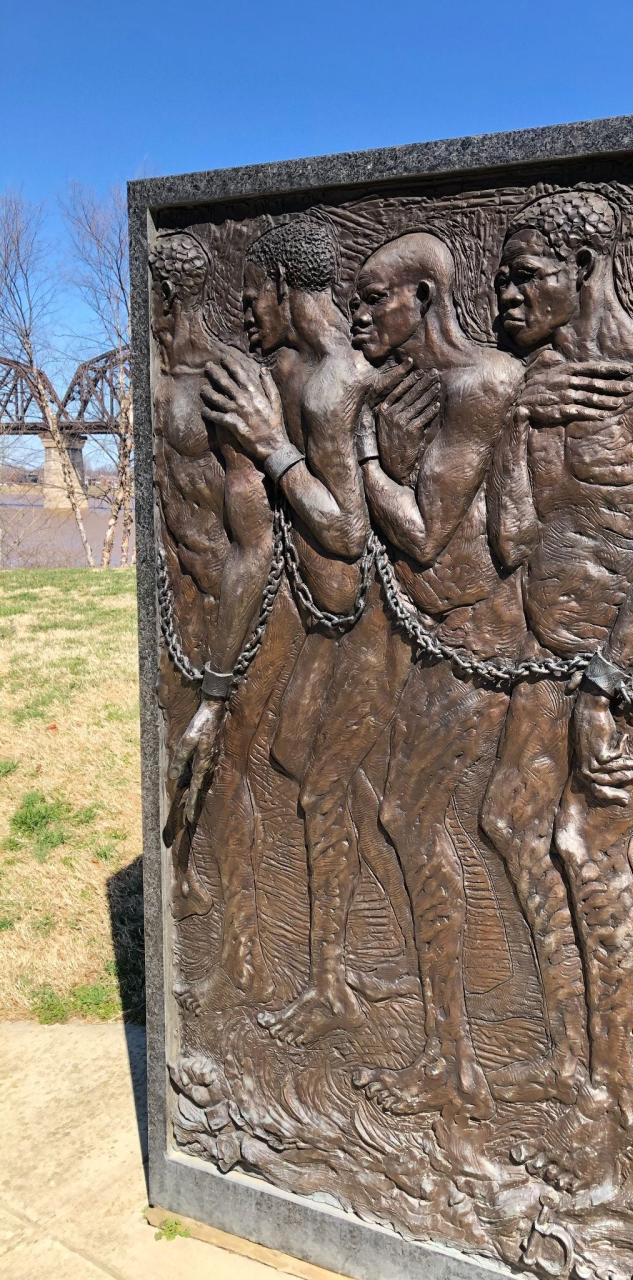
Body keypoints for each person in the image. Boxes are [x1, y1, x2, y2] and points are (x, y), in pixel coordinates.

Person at [480, 190, 633, 1188]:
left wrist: (608, 681)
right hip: (552, 651)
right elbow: (514, 539)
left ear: (585, 266)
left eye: (526, 273)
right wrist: (511, 431)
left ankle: (610, 1095)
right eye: (500, 276)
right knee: (506, 817)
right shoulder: (534, 390)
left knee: (583, 840)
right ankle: (570, 1053)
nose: (506, 297)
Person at [344, 231, 526, 1119]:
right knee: (392, 809)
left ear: (422, 297)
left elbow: (422, 532)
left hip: (477, 641)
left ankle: (456, 1061)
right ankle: (450, 1044)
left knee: (412, 815)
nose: (359, 314)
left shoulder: (480, 384)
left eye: (374, 297)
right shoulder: (400, 386)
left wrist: (369, 457)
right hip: (422, 632)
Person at [194, 217, 376, 1020]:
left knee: (322, 780)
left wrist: (272, 448)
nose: (242, 305)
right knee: (276, 760)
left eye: (252, 290)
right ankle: (290, 963)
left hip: (371, 624)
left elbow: (344, 528)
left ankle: (334, 980)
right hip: (309, 615)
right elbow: (259, 540)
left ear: (280, 282)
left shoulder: (335, 379)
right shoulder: (277, 374)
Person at [148, 231, 228, 922]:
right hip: (180, 603)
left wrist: (222, 674)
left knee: (226, 769)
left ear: (171, 295)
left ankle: (242, 927)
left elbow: (250, 533)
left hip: (220, 603)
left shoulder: (220, 384)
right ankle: (183, 882)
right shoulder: (160, 381)